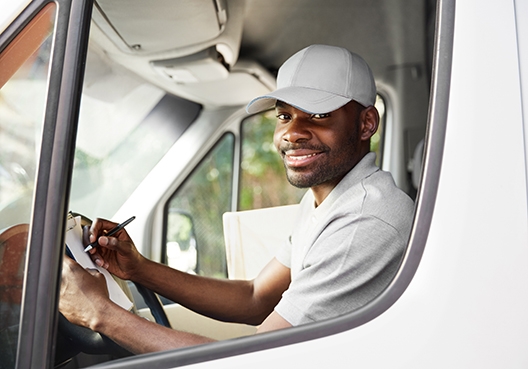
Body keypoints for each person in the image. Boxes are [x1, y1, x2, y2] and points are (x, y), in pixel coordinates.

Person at [60, 44, 414, 354]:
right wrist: (139, 269)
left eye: (319, 114)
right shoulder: (331, 199)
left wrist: (101, 314)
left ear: (367, 123)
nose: (292, 132)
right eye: (284, 115)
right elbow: (256, 298)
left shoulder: (364, 220)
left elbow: (256, 361)